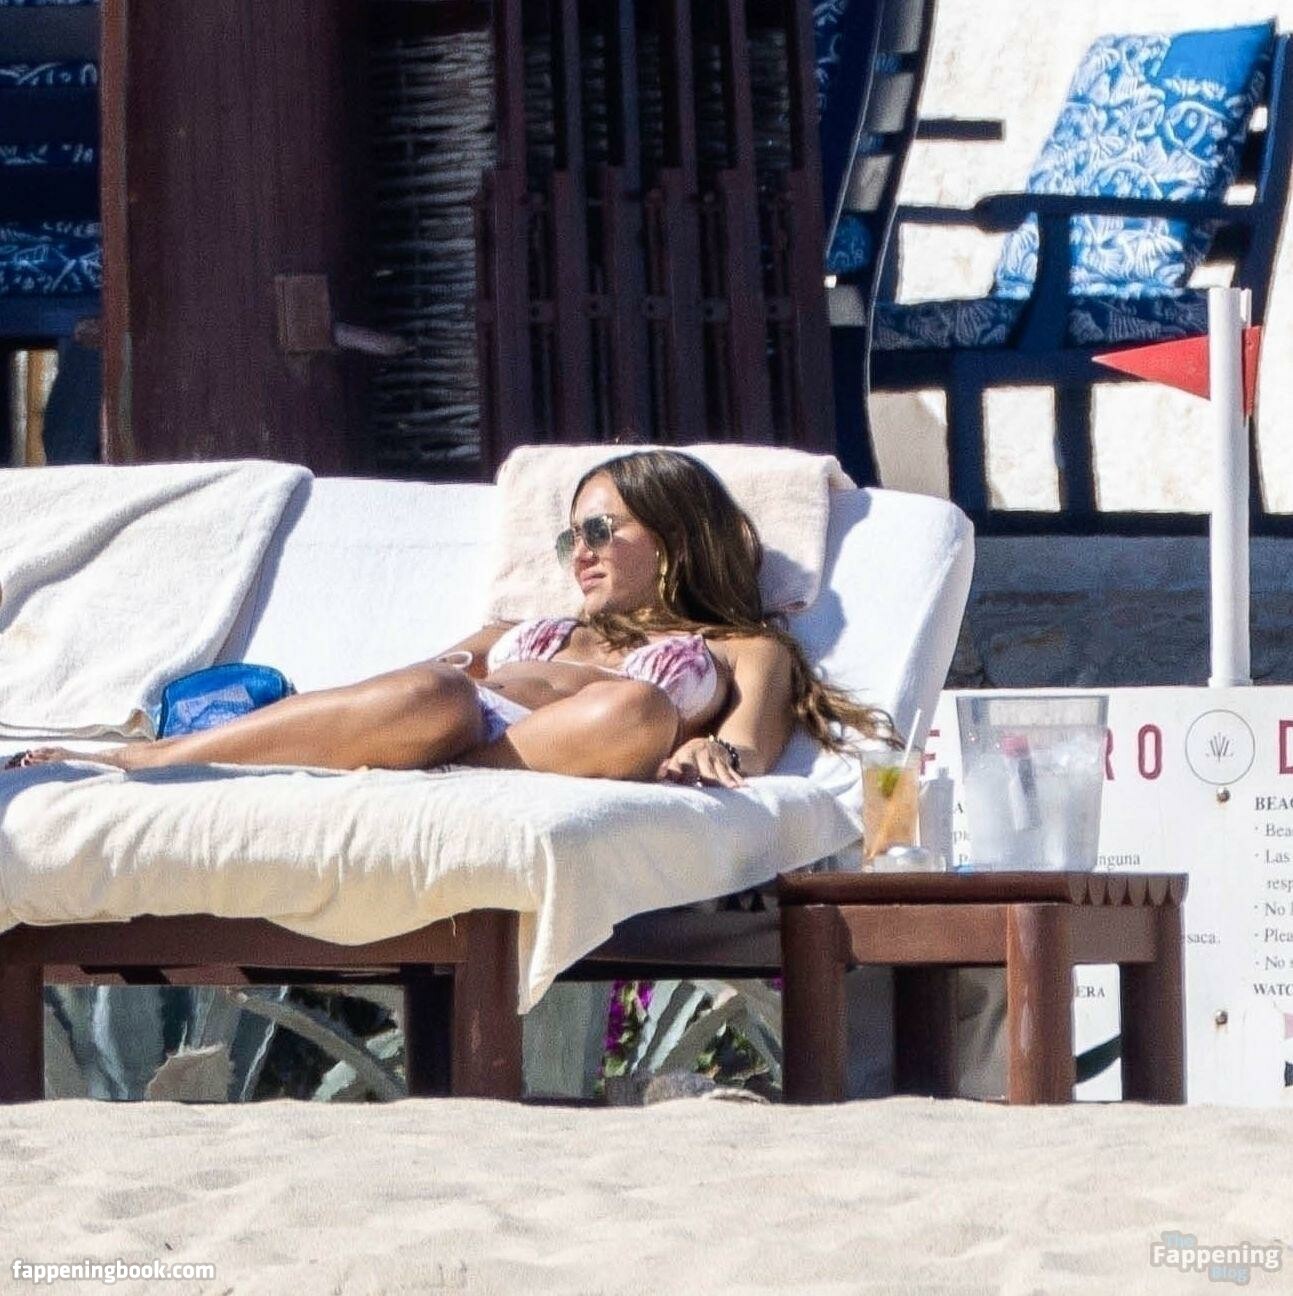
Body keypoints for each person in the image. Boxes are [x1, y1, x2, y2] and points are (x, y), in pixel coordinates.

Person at [8, 450, 895, 785]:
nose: (578, 553)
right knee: (438, 691)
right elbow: (414, 680)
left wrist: (715, 755)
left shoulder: (740, 646)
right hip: (451, 723)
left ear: (672, 537)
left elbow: (748, 744)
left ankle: (440, 769)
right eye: (569, 536)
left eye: (600, 531)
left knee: (635, 707)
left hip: (580, 743)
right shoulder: (523, 627)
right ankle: (152, 758)